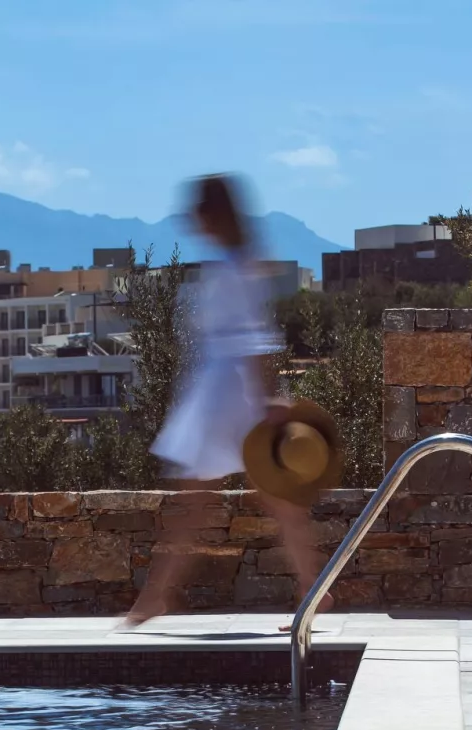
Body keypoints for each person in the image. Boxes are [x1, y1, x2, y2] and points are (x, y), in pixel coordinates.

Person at [125, 175, 329, 625]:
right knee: (257, 499)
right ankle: (312, 589)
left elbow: (255, 337)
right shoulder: (235, 261)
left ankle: (156, 597)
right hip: (223, 391)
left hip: (228, 395)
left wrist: (267, 399)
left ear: (213, 214)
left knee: (202, 501)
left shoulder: (237, 266)